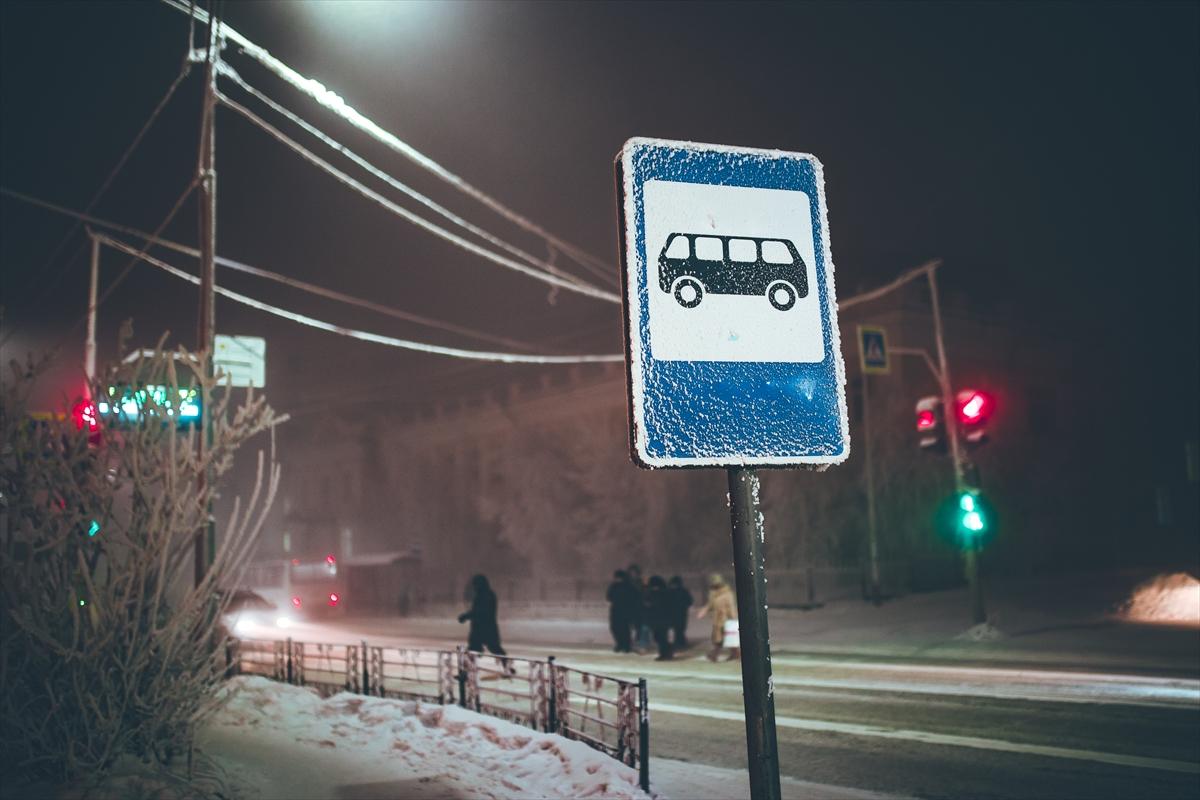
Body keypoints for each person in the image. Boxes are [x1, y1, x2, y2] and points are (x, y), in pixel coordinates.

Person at [458, 574, 507, 658]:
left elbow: (480, 612)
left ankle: (508, 667)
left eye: (475, 584)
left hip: (484, 628)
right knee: (493, 648)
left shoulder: (484, 596)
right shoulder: (486, 594)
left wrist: (466, 616)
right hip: (486, 628)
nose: (474, 587)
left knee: (489, 648)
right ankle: (508, 667)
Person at [696, 573, 739, 662]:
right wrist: (703, 611)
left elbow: (731, 607)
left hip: (725, 620)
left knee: (723, 638)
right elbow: (710, 604)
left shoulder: (727, 594)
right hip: (717, 619)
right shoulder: (713, 594)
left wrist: (732, 619)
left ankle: (715, 655)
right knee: (722, 638)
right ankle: (734, 654)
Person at [605, 570, 637, 653]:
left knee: (625, 629)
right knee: (614, 628)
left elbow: (634, 598)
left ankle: (626, 645)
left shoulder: (629, 586)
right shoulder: (614, 586)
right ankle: (620, 643)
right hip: (615, 610)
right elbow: (609, 597)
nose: (617, 579)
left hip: (626, 611)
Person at [646, 575, 674, 660]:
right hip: (657, 619)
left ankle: (664, 653)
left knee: (661, 637)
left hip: (661, 619)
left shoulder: (663, 593)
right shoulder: (653, 593)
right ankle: (667, 651)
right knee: (658, 637)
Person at [666, 575, 694, 650]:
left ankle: (679, 642)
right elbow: (689, 601)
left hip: (675, 613)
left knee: (678, 629)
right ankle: (680, 642)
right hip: (680, 613)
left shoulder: (669, 591)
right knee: (679, 629)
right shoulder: (683, 591)